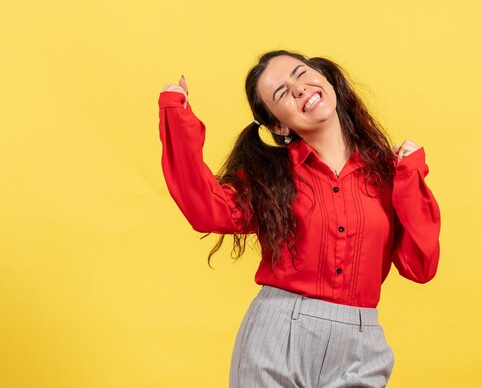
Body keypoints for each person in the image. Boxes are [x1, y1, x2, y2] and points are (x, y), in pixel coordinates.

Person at [158, 50, 441, 388]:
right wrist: (176, 115)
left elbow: (420, 266)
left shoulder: (387, 174)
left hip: (361, 346)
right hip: (278, 336)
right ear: (278, 124)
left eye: (300, 73)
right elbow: (208, 209)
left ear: (324, 77)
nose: (299, 88)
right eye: (281, 92)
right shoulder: (271, 176)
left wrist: (410, 178)